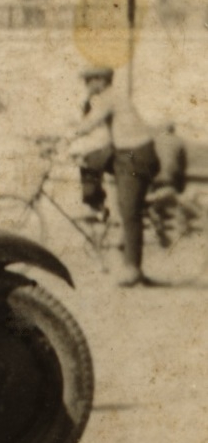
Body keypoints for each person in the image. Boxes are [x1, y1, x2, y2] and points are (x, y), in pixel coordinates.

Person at [68, 63, 156, 286]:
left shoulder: (110, 97)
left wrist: (64, 138)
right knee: (89, 162)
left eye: (89, 80)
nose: (86, 85)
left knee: (130, 212)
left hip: (135, 156)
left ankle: (133, 269)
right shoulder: (108, 99)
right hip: (125, 153)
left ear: (100, 80)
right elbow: (100, 133)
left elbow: (88, 125)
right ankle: (98, 206)